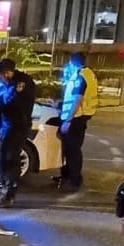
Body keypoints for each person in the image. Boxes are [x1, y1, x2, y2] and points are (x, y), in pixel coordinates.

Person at [0, 58, 36, 207]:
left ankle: (8, 195)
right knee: (4, 158)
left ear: (7, 73)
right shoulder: (10, 84)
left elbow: (13, 103)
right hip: (8, 125)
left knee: (10, 160)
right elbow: (2, 98)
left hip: (17, 126)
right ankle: (5, 190)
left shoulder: (22, 83)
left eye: (0, 77)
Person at [54, 52, 99, 192]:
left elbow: (78, 99)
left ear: (72, 63)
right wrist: (59, 105)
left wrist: (68, 120)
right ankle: (67, 176)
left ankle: (74, 180)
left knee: (73, 150)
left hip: (76, 118)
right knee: (69, 149)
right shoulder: (87, 74)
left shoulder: (81, 76)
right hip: (78, 116)